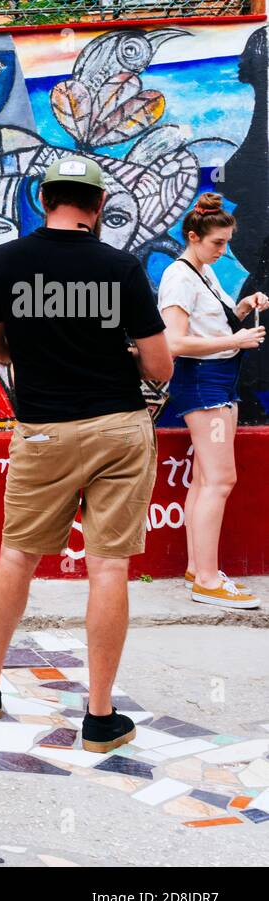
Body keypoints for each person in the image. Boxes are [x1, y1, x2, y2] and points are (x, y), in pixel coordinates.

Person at [0, 156, 173, 753]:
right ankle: (100, 717)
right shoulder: (121, 266)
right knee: (108, 567)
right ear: (98, 207)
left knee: (18, 556)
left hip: (43, 431)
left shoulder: (6, 261)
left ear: (43, 198)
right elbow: (160, 365)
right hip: (118, 430)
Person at [158, 193, 268, 610]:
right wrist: (236, 340)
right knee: (220, 481)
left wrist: (241, 308)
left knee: (207, 479)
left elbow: (208, 325)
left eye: (227, 242)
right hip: (206, 383)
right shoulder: (181, 276)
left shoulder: (201, 271)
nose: (224, 251)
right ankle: (207, 579)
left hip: (217, 381)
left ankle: (198, 569)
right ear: (193, 236)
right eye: (217, 243)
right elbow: (175, 341)